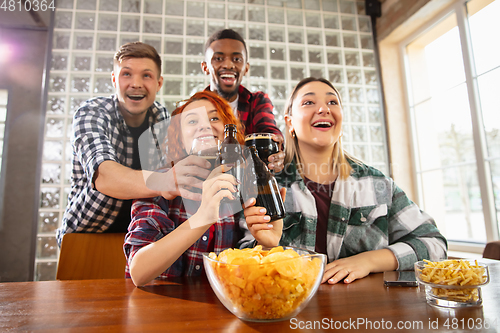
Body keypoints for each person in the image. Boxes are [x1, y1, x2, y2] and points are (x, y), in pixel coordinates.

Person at [243, 77, 447, 285]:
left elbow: (434, 244)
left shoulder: (376, 184)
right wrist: (266, 247)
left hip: (364, 315)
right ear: (290, 122)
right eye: (308, 102)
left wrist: (369, 261)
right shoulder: (267, 187)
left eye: (332, 102)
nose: (323, 108)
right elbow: (237, 262)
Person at [124, 91, 284, 286]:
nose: (204, 125)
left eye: (214, 118)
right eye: (192, 121)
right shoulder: (161, 182)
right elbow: (139, 271)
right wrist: (203, 217)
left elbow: (248, 276)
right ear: (179, 138)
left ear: (229, 132)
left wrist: (267, 245)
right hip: (157, 309)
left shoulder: (245, 182)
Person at [57, 42, 207, 245]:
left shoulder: (163, 118)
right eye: (126, 74)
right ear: (114, 80)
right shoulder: (91, 113)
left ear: (159, 83)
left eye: (146, 75)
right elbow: (105, 178)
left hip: (144, 238)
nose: (136, 83)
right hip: (85, 237)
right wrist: (166, 181)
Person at [201, 28, 285, 173]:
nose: (228, 65)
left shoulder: (257, 101)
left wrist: (276, 149)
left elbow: (269, 131)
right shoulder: (193, 109)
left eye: (237, 59)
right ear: (205, 67)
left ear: (246, 68)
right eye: (219, 58)